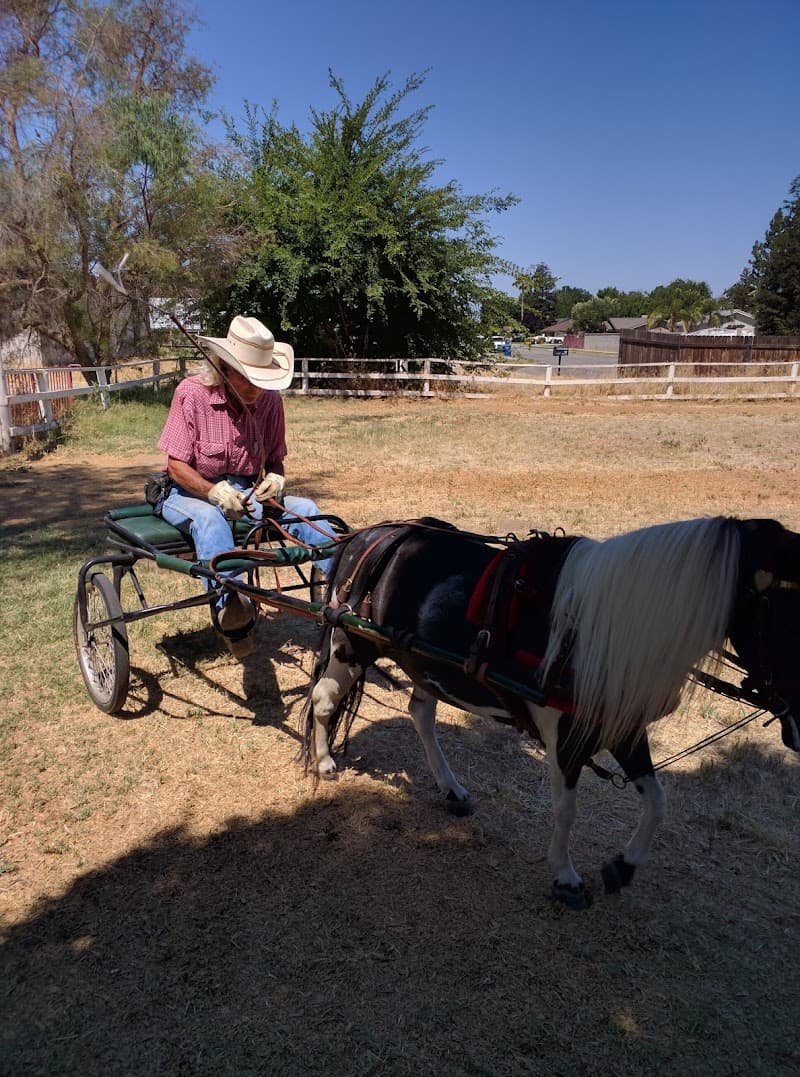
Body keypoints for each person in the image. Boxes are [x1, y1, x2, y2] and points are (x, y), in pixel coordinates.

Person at [158, 315, 333, 658]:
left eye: (262, 379)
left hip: (247, 492)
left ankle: (352, 582)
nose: (257, 388)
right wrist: (213, 492)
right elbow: (175, 466)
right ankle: (232, 608)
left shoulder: (269, 401)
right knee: (211, 521)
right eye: (248, 378)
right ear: (223, 367)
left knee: (308, 510)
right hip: (187, 492)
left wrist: (276, 478)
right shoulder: (191, 395)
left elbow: (275, 458)